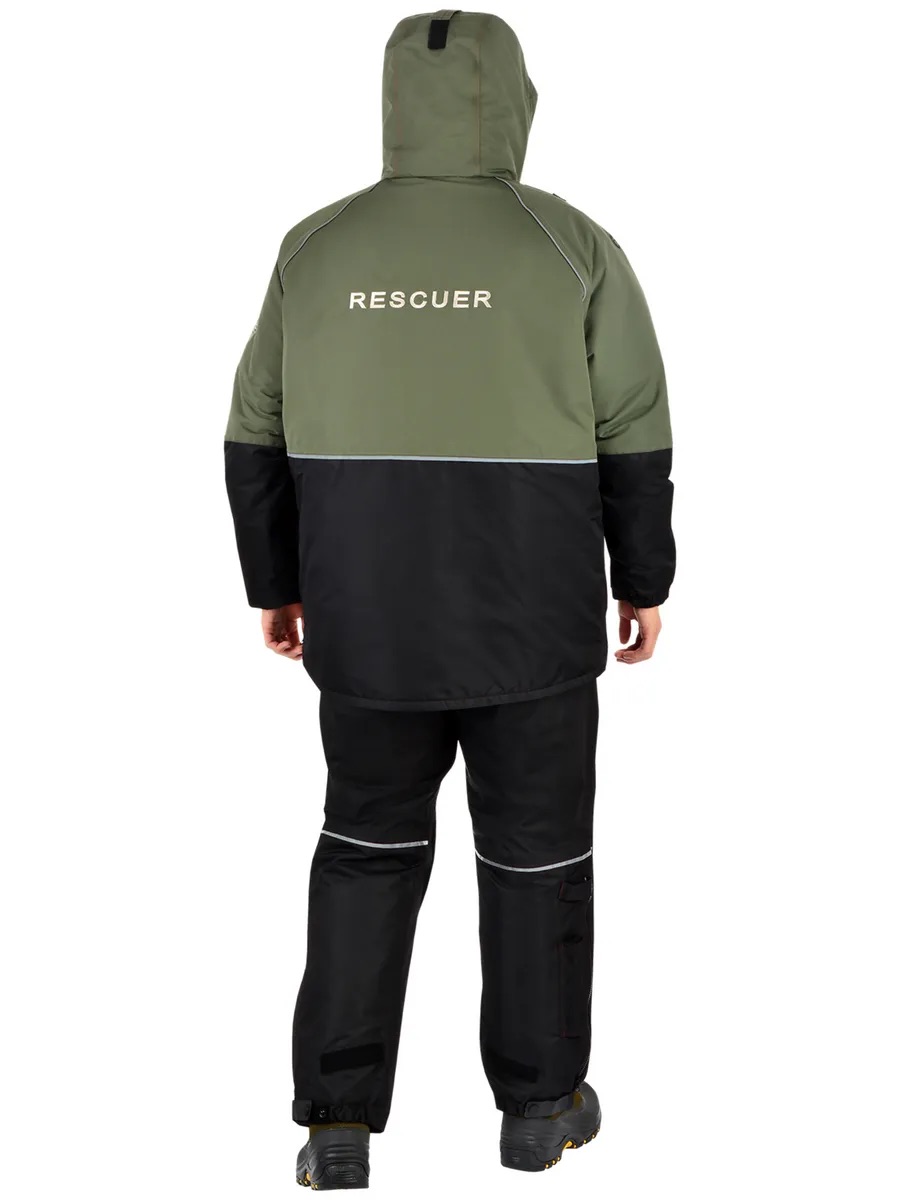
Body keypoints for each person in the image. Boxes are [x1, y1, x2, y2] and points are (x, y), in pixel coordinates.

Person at [225, 9, 674, 1190]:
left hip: (364, 622)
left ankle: (336, 1124)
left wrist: (277, 583)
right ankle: (539, 1107)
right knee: (535, 861)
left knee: (364, 850)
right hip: (535, 632)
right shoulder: (570, 245)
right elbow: (637, 428)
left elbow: (253, 428)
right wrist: (645, 580)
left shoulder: (315, 248)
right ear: (512, 102)